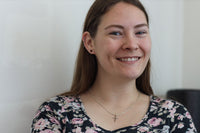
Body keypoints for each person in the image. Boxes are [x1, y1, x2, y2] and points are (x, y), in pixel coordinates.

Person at [31, 0, 197, 132]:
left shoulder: (174, 116)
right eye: (116, 33)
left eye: (140, 32)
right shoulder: (55, 114)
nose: (131, 44)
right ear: (90, 43)